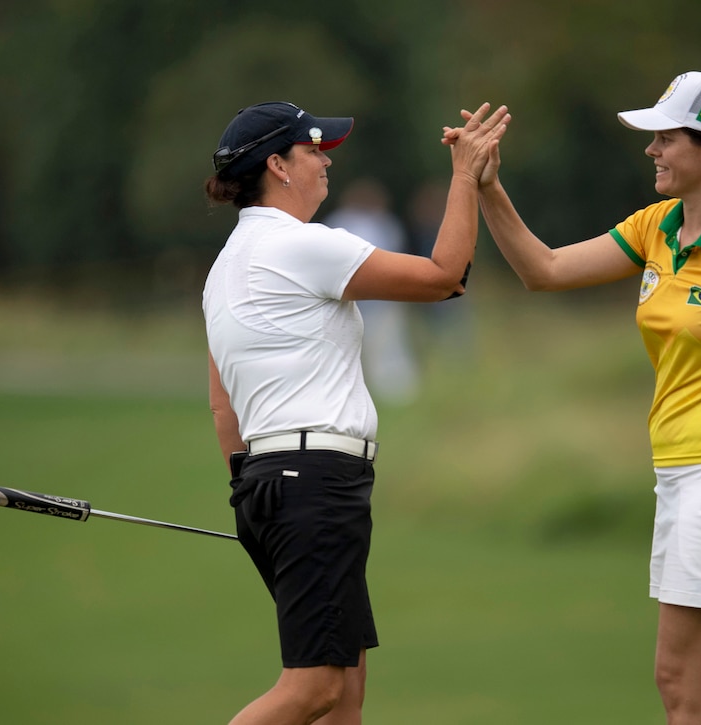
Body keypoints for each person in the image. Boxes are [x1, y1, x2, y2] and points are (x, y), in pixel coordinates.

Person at [447, 71, 701, 724]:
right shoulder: (657, 228)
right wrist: (487, 186)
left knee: (681, 689)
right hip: (683, 481)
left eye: (666, 138)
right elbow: (543, 269)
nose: (652, 150)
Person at [203, 100, 508, 725]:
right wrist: (463, 177)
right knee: (313, 691)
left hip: (272, 484)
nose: (324, 163)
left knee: (344, 696)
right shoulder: (300, 246)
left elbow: (222, 407)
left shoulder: (223, 268)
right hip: (312, 483)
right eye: (314, 150)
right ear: (278, 166)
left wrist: (257, 497)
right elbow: (444, 277)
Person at [322, 178, 419, 404]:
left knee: (387, 347)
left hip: (380, 301)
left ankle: (394, 394)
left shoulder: (382, 223)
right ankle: (369, 394)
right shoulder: (339, 223)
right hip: (349, 302)